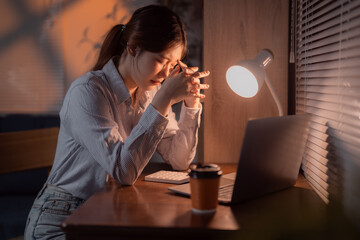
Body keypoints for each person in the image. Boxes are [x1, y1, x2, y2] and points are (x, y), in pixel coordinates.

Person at [24, 4, 210, 240]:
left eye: (172, 65)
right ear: (132, 48)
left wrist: (191, 105)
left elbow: (180, 159)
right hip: (60, 217)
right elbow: (123, 171)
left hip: (107, 209)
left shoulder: (149, 94)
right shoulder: (89, 91)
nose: (166, 74)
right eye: (161, 60)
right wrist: (163, 99)